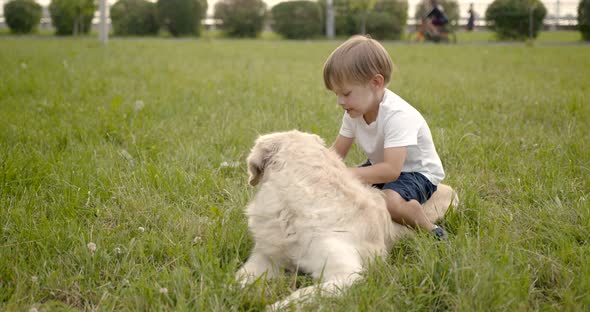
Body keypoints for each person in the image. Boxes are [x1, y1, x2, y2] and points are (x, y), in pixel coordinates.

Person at [323, 35, 449, 240]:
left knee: (389, 201)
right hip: (380, 166)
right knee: (342, 190)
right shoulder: (354, 112)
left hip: (417, 172)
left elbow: (391, 171)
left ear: (375, 82)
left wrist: (345, 174)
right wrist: (321, 170)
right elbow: (335, 155)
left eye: (346, 93)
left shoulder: (397, 115)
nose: (340, 101)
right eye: (336, 94)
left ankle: (430, 228)